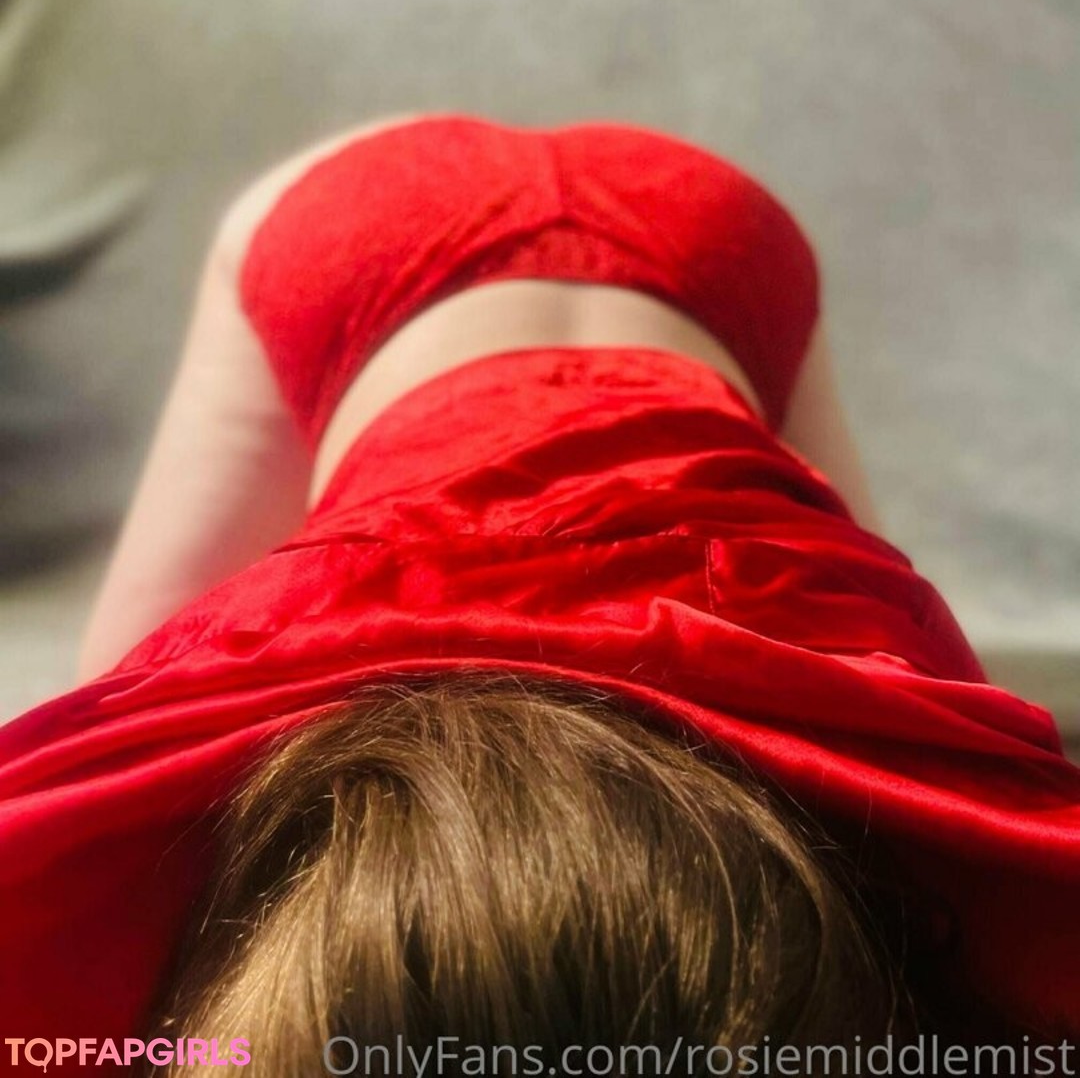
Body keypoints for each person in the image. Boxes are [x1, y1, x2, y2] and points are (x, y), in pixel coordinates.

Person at [0, 114, 1078, 1075]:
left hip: (662, 247)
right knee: (124, 717)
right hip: (595, 235)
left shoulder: (871, 717)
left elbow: (942, 728)